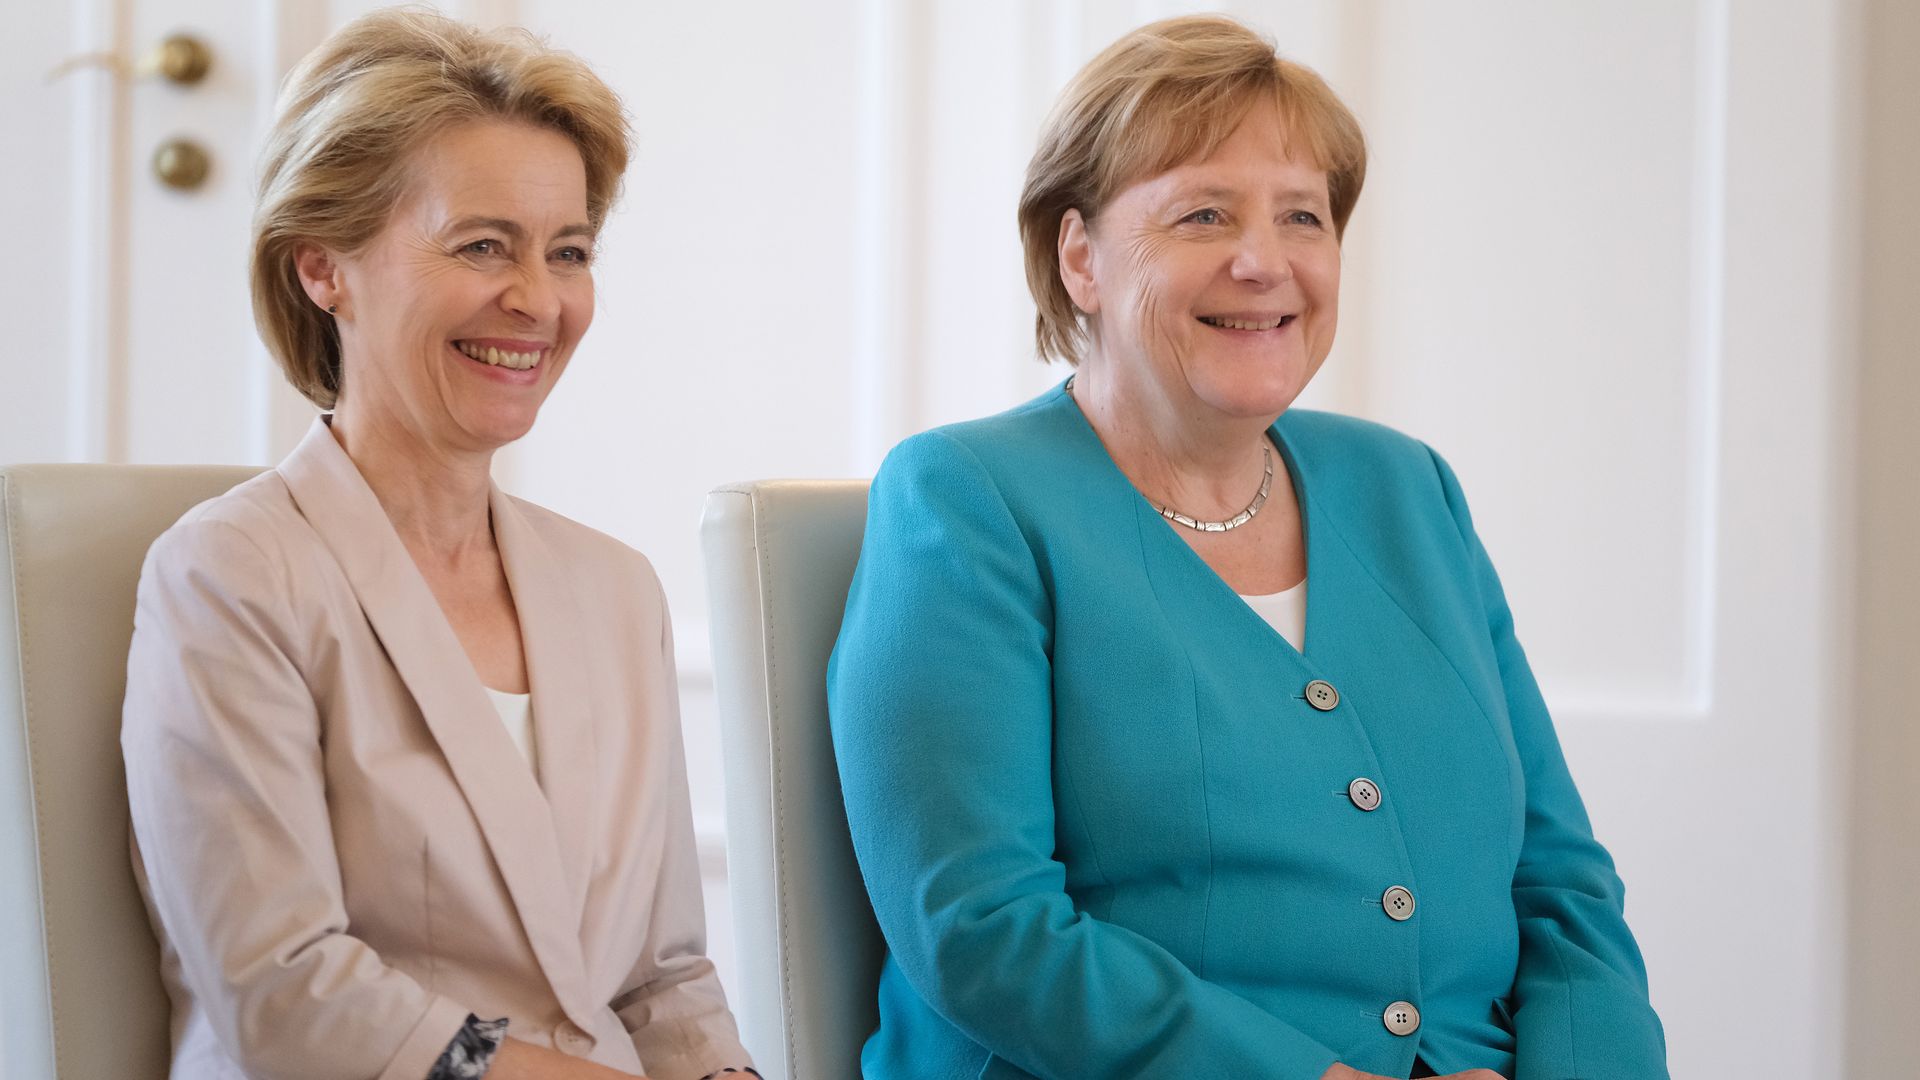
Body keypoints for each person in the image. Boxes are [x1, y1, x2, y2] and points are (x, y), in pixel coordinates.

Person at [828, 15, 1668, 1080]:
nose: (1264, 262)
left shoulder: (1409, 489)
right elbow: (981, 929)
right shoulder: (967, 500)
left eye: (1303, 217)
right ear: (1078, 255)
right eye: (1204, 213)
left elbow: (1561, 886)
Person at [122, 11, 754, 1079]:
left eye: (569, 252)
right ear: (323, 268)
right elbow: (287, 992)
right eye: (481, 246)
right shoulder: (229, 576)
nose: (538, 302)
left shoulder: (616, 590)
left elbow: (665, 978)